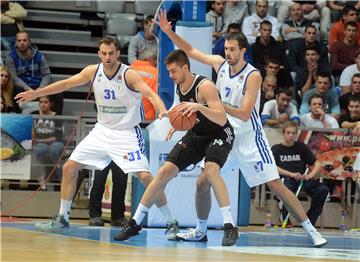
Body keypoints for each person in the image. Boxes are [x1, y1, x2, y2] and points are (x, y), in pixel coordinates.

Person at [153, 10, 327, 248]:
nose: (227, 53)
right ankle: (200, 229)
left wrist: (211, 105)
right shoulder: (220, 65)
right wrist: (168, 32)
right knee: (202, 182)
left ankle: (311, 230)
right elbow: (192, 52)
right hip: (225, 135)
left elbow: (244, 113)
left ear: (243, 51)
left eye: (232, 49)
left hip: (249, 138)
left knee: (276, 186)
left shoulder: (253, 76)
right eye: (226, 49)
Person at [15, 37, 178, 238]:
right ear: (99, 54)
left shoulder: (129, 74)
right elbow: (65, 84)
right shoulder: (93, 71)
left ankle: (171, 222)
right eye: (104, 53)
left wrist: (162, 109)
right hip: (102, 131)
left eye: (111, 53)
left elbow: (150, 94)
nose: (108, 57)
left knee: (145, 177)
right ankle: (62, 218)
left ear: (118, 53)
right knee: (69, 167)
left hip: (126, 133)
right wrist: (36, 93)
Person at [115, 48, 238, 246]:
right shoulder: (179, 85)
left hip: (220, 133)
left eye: (173, 71)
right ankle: (135, 222)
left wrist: (199, 107)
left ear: (185, 67)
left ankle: (230, 227)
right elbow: (182, 110)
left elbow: (222, 117)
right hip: (197, 133)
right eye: (169, 72)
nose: (170, 76)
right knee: (164, 172)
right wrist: (174, 122)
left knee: (211, 171)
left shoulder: (205, 86)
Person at [271, 121, 329, 226]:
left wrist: (309, 176)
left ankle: (309, 221)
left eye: (294, 133)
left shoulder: (301, 147)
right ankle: (285, 219)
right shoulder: (276, 149)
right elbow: (272, 167)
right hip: (286, 180)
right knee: (286, 189)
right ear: (283, 133)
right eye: (288, 133)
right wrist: (291, 174)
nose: (291, 135)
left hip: (302, 180)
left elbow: (318, 164)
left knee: (323, 190)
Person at [31, 95, 64, 187]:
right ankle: (41, 178)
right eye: (41, 102)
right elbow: (31, 131)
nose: (43, 105)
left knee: (54, 150)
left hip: (55, 142)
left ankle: (60, 179)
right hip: (39, 143)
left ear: (51, 104)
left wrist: (39, 140)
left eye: (45, 102)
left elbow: (57, 137)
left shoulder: (57, 116)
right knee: (39, 150)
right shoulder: (34, 114)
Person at [89, 161, 128, 227]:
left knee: (121, 183)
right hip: (103, 153)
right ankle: (94, 215)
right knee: (99, 182)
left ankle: (117, 217)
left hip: (120, 153)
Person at [130, 50, 158, 121]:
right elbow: (156, 98)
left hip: (128, 118)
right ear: (145, 59)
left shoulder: (126, 70)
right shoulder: (156, 73)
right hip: (147, 120)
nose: (156, 62)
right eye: (154, 59)